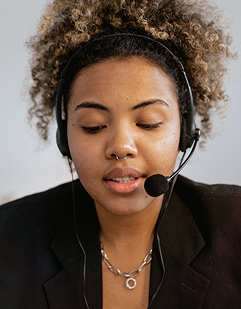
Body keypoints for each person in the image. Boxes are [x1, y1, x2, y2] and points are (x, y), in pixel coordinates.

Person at [0, 0, 240, 308]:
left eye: (148, 123)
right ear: (64, 138)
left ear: (184, 131)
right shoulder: (8, 240)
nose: (121, 147)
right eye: (94, 126)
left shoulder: (235, 227)